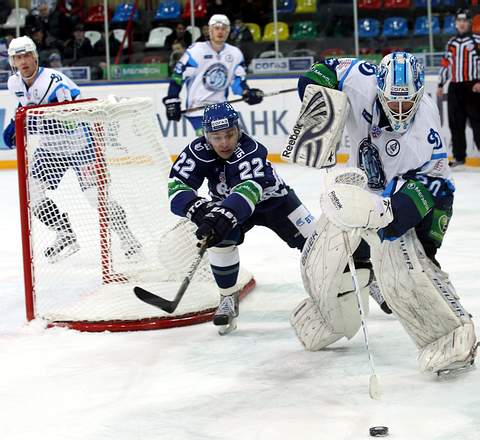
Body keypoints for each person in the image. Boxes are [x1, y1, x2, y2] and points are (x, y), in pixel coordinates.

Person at [289, 52, 477, 374]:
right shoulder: (361, 77)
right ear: (379, 88)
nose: (400, 110)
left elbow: (428, 185)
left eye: (408, 104)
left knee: (408, 268)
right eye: (394, 102)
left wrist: (384, 216)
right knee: (320, 252)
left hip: (424, 194)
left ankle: (452, 334)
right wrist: (317, 96)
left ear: (419, 95)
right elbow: (326, 70)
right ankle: (330, 313)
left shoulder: (424, 131)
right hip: (366, 185)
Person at [168, 102, 315, 334]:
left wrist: (223, 214)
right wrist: (200, 210)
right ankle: (227, 298)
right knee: (218, 238)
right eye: (216, 137)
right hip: (229, 203)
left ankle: (361, 280)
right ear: (206, 135)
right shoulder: (197, 151)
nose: (224, 142)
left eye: (229, 134)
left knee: (318, 244)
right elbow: (176, 187)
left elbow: (249, 189)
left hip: (275, 202)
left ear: (238, 130)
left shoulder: (251, 150)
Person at [3, 36, 141, 263]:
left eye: (27, 55)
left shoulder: (55, 82)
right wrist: (14, 125)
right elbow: (25, 105)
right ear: (13, 62)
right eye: (18, 57)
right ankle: (65, 233)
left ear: (35, 56)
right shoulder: (14, 83)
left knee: (96, 197)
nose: (24, 61)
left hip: (80, 146)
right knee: (32, 192)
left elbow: (70, 121)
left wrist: (29, 124)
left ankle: (128, 238)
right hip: (50, 149)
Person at [162, 14, 264, 136]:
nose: (220, 31)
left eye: (224, 28)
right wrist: (172, 99)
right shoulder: (196, 51)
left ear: (228, 31)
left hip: (221, 109)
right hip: (197, 110)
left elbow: (237, 82)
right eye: (216, 28)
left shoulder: (235, 54)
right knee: (214, 142)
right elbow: (178, 76)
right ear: (210, 30)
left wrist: (247, 92)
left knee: (233, 144)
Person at [437, 9, 480, 168]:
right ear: (455, 23)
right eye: (459, 20)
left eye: (464, 20)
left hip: (473, 86)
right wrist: (441, 84)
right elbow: (446, 65)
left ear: (469, 23)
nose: (461, 23)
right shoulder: (451, 43)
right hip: (455, 86)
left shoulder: (477, 40)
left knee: (477, 123)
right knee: (456, 124)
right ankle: (459, 157)